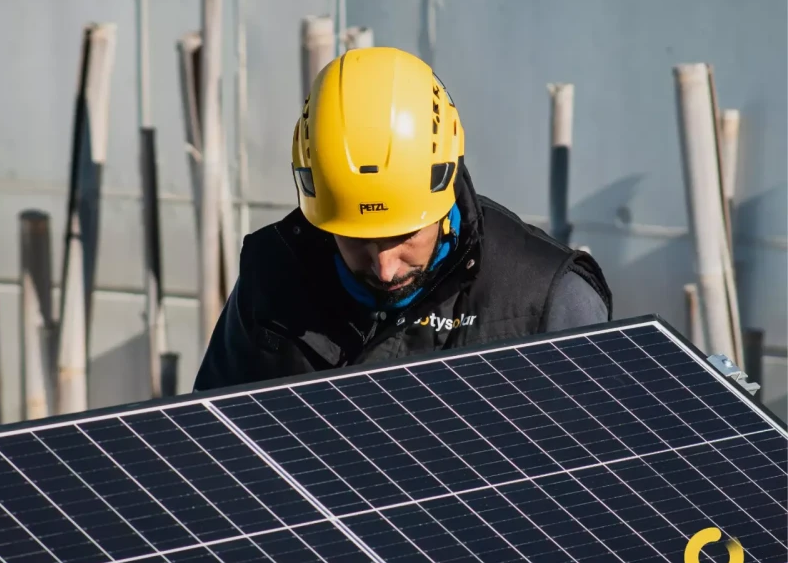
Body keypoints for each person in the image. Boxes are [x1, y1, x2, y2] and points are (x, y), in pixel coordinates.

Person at [194, 47, 611, 392]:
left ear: (444, 189)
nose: (385, 268)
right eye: (356, 238)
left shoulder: (548, 300)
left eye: (404, 235)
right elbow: (212, 440)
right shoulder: (273, 275)